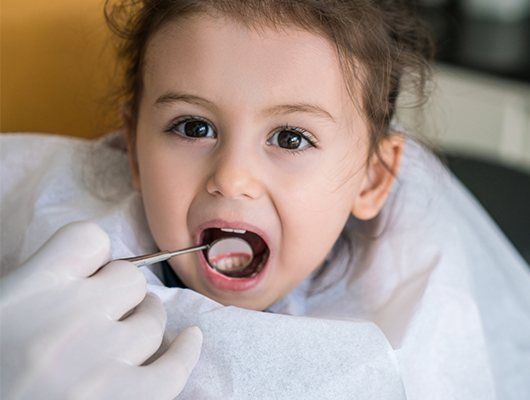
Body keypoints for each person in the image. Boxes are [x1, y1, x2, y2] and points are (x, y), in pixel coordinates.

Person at [1, 0, 529, 399]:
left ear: (371, 180)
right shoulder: (37, 242)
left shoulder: (422, 315)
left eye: (291, 138)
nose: (231, 178)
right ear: (135, 151)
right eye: (193, 126)